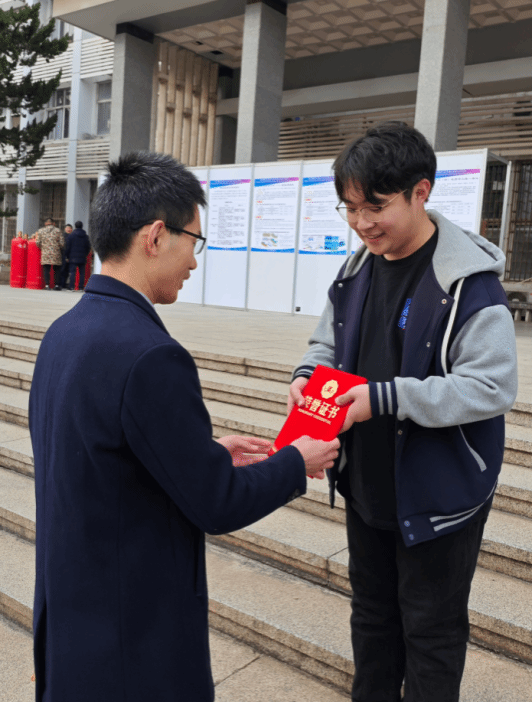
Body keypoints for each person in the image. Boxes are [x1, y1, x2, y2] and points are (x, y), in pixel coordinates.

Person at [28, 151, 339, 702]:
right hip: (132, 643)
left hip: (73, 624)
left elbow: (101, 453)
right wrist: (298, 461)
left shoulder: (65, 331)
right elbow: (217, 503)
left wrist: (204, 450)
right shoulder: (151, 355)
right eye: (194, 241)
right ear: (155, 236)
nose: (195, 261)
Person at [288, 122, 518, 702]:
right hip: (366, 484)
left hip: (439, 494)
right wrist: (307, 376)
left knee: (431, 633)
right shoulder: (356, 270)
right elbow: (326, 343)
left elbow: (491, 386)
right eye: (350, 208)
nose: (362, 223)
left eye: (376, 207)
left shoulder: (469, 285)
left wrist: (387, 398)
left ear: (421, 192)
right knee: (371, 621)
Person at [35, 217, 63, 290]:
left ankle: (47, 285)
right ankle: (56, 285)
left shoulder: (41, 231)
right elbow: (62, 243)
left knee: (46, 269)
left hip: (45, 253)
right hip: (56, 253)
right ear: (53, 223)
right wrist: (57, 247)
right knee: (56, 269)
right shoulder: (58, 230)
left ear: (45, 223)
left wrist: (43, 247)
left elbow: (37, 242)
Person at [65, 219, 91, 290]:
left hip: (72, 257)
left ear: (75, 226)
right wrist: (85, 254)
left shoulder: (71, 236)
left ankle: (71, 286)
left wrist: (67, 255)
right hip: (82, 256)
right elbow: (88, 247)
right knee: (82, 273)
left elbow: (68, 247)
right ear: (82, 226)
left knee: (72, 272)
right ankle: (81, 287)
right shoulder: (86, 236)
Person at [59, 223, 73, 289]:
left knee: (67, 271)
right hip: (63, 255)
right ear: (65, 229)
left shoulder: (73, 236)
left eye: (70, 228)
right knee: (62, 270)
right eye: (67, 228)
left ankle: (64, 283)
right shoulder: (62, 236)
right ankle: (61, 284)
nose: (69, 229)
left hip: (71, 255)